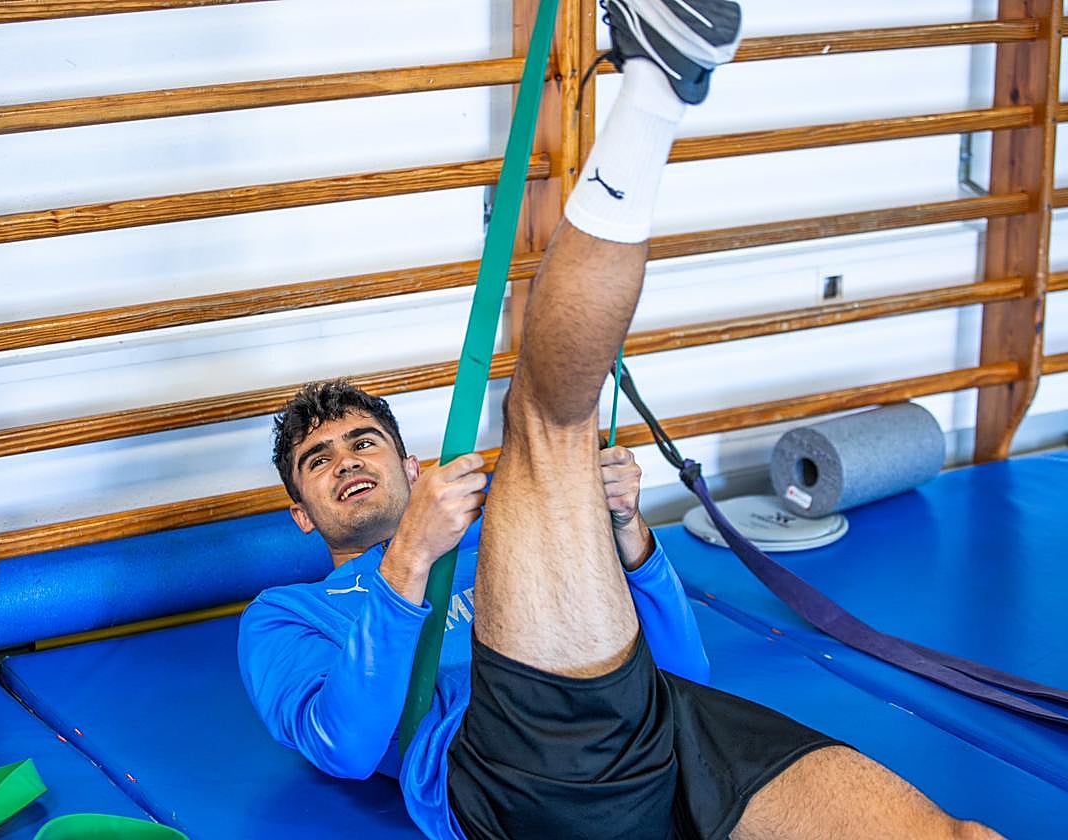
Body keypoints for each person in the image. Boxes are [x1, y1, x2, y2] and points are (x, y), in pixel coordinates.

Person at [239, 2, 1000, 837]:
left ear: (412, 466)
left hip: (672, 723)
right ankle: (653, 91)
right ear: (300, 513)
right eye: (319, 460)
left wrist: (632, 536)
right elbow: (345, 748)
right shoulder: (287, 616)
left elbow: (686, 667)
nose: (348, 461)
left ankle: (657, 85)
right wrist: (409, 561)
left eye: (364, 442)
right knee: (542, 415)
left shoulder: (503, 533)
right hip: (512, 767)